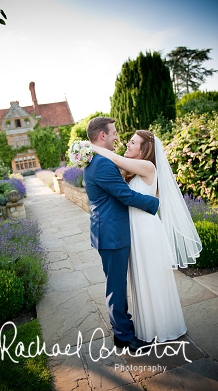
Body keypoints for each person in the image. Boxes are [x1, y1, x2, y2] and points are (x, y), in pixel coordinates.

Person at [90, 129, 202, 343]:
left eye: (133, 143)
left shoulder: (147, 166)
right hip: (134, 231)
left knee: (151, 279)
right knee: (140, 280)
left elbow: (114, 157)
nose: (128, 145)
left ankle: (162, 327)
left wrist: (90, 148)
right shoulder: (133, 170)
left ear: (144, 150)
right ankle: (148, 327)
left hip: (147, 231)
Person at [83, 117, 159, 351]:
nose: (117, 137)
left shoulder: (94, 160)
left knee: (115, 283)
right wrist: (155, 203)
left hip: (106, 231)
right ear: (102, 136)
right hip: (112, 233)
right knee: (116, 286)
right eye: (114, 133)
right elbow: (125, 195)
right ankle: (123, 336)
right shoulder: (103, 164)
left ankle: (123, 326)